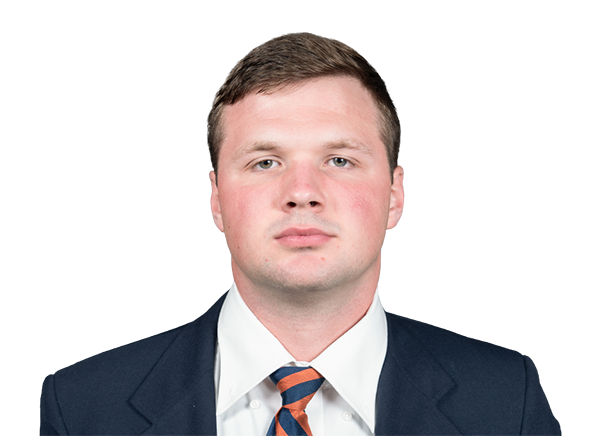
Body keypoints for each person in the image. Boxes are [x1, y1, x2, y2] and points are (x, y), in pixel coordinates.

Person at [40, 33, 561, 435]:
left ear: (394, 195)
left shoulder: (504, 401)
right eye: (266, 162)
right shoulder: (78, 406)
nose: (302, 192)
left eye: (340, 159)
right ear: (217, 200)